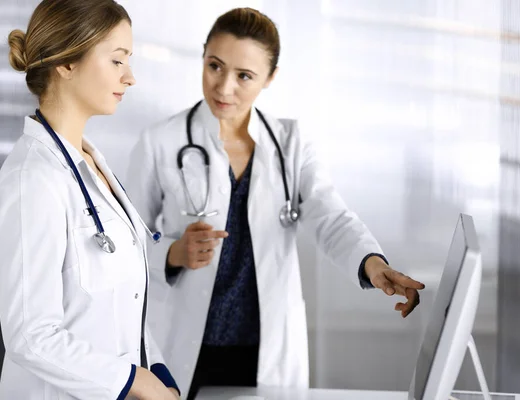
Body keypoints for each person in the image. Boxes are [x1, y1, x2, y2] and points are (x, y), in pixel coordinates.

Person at [125, 7, 426, 400]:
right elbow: (125, 241)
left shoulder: (290, 144)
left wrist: (373, 264)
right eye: (215, 66)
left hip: (266, 351)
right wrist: (173, 252)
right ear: (202, 57)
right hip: (187, 347)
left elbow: (330, 217)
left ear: (270, 78)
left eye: (244, 76)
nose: (224, 87)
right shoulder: (160, 142)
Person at [0, 1, 180, 399]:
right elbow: (30, 334)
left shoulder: (91, 165)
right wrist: (134, 382)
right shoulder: (33, 179)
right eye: (117, 61)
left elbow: (125, 301)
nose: (130, 78)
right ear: (67, 63)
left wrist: (158, 370)